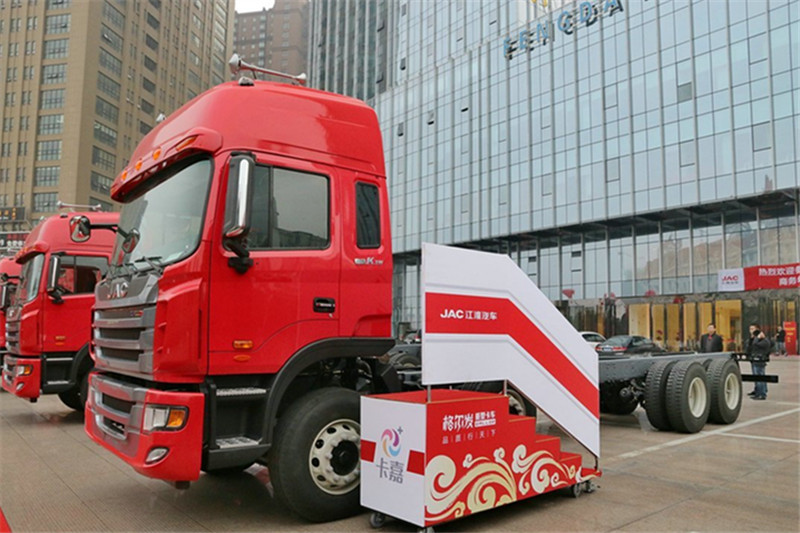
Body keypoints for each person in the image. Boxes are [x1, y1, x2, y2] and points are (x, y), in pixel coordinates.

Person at [747, 323, 771, 400]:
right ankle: (757, 391)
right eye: (750, 329)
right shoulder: (754, 338)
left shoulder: (763, 339)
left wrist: (757, 338)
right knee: (756, 377)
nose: (751, 331)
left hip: (760, 360)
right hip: (754, 359)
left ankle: (762, 393)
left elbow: (756, 344)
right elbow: (749, 347)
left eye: (753, 329)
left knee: (760, 377)